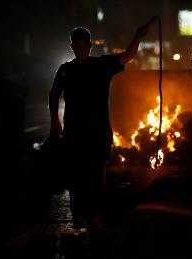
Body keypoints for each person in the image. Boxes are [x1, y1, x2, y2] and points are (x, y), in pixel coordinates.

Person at [48, 22, 150, 231]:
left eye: (84, 46)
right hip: (74, 133)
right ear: (72, 46)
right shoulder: (66, 70)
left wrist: (138, 36)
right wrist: (54, 121)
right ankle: (78, 215)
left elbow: (128, 55)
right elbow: (54, 93)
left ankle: (95, 216)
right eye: (76, 46)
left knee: (95, 176)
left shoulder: (101, 65)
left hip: (99, 132)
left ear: (91, 45)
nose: (80, 50)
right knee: (76, 176)